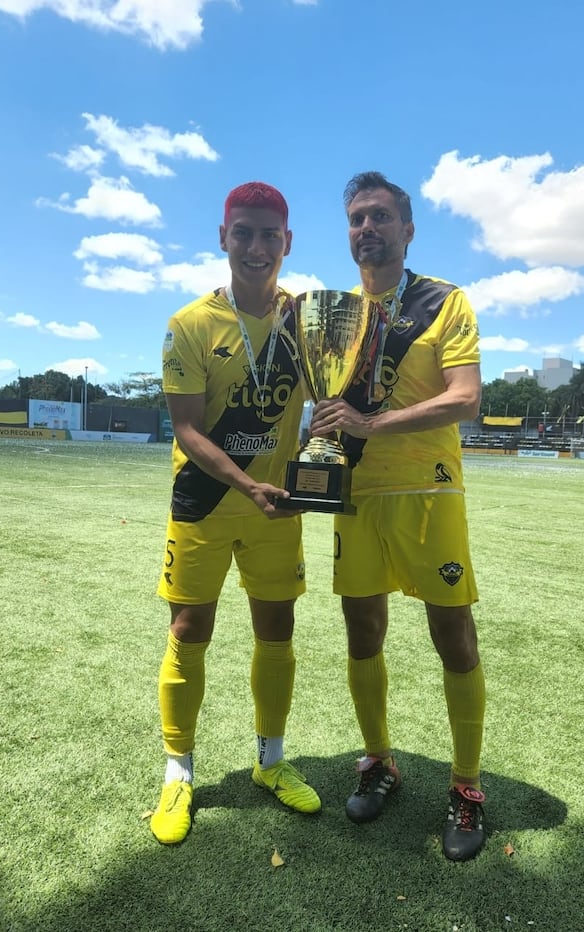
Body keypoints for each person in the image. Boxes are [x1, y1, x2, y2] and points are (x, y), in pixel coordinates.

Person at [310, 171, 486, 862]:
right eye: (357, 218)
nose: (367, 228)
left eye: (381, 216)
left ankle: (467, 788)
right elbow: (326, 404)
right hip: (355, 494)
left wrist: (369, 421)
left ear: (408, 229)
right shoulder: (333, 316)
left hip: (429, 493)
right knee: (362, 633)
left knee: (453, 634)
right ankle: (379, 762)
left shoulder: (445, 302)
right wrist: (320, 441)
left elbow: (465, 397)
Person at [150, 181, 321, 845]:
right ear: (223, 238)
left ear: (287, 243)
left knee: (276, 627)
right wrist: (248, 485)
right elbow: (188, 430)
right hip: (206, 504)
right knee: (190, 628)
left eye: (268, 235)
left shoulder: (305, 325)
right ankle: (177, 771)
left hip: (276, 507)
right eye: (243, 233)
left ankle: (271, 763)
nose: (256, 248)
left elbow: (325, 400)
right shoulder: (189, 325)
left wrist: (318, 449)